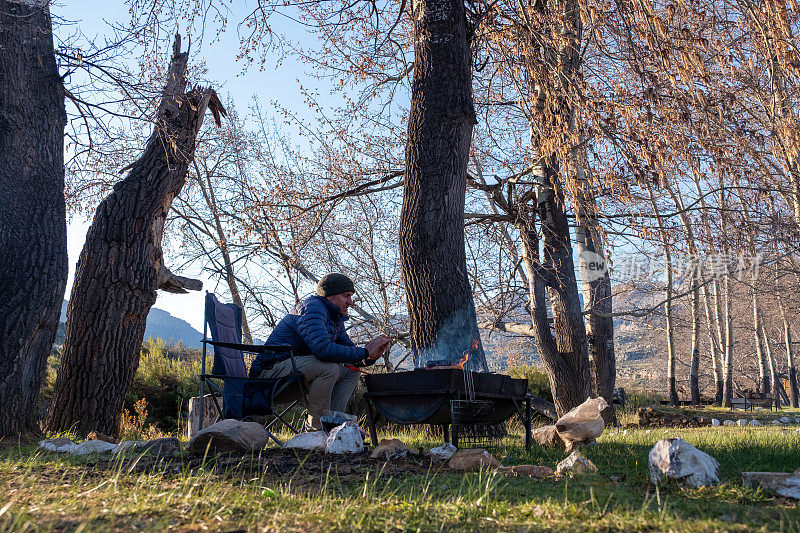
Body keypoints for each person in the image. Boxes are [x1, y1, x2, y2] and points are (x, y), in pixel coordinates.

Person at [250, 273, 391, 430]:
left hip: (294, 375)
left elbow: (351, 354)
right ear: (330, 296)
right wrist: (364, 352)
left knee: (351, 371)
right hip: (268, 374)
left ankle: (334, 427)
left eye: (351, 296)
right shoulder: (311, 309)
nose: (350, 302)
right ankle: (315, 430)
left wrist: (370, 357)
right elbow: (322, 350)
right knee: (328, 368)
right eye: (346, 296)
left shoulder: (334, 319)